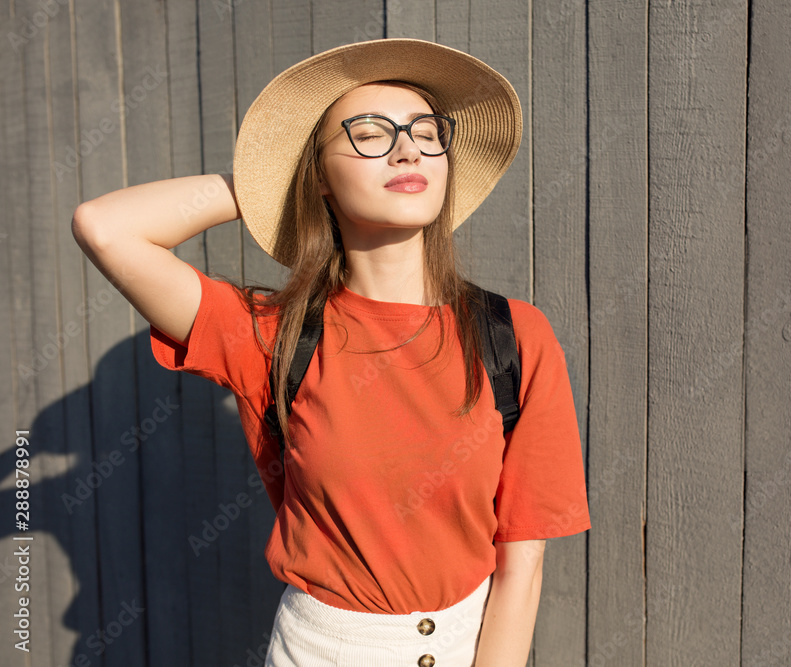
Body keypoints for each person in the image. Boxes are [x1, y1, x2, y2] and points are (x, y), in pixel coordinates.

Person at [72, 37, 590, 666]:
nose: (407, 148)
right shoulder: (270, 335)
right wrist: (266, 182)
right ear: (318, 175)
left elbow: (523, 556)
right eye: (369, 133)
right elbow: (105, 228)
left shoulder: (513, 335)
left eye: (426, 131)